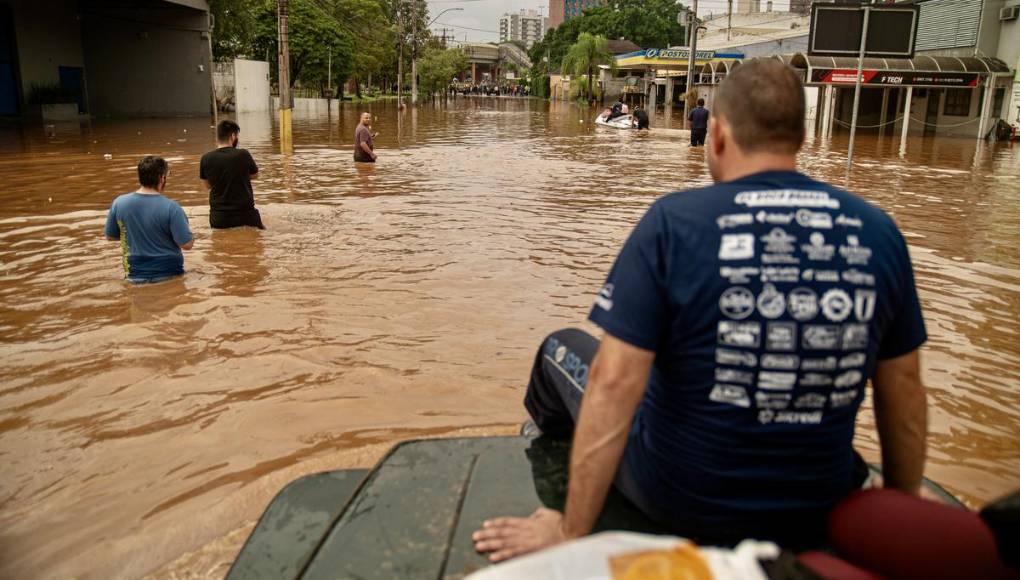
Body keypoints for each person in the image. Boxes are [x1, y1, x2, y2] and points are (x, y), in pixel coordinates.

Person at [473, 59, 929, 561]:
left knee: (558, 349)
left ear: (717, 134)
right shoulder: (878, 230)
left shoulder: (674, 222)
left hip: (680, 498)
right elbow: (904, 391)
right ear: (800, 138)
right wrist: (900, 515)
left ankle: (553, 461)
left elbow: (613, 382)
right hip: (820, 504)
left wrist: (570, 532)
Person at [105, 156, 194, 283]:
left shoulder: (119, 203)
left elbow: (110, 236)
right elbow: (187, 244)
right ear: (161, 178)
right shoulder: (172, 207)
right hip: (169, 273)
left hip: (133, 273)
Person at [200, 120, 264, 229]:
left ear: (217, 137)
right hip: (246, 215)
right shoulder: (243, 154)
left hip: (219, 218)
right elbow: (255, 176)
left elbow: (207, 186)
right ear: (233, 136)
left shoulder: (206, 158)